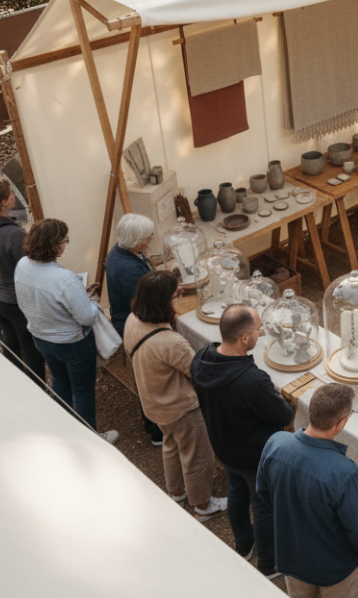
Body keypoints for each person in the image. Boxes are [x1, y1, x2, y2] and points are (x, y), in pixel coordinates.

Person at [257, 383, 358, 598]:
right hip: (336, 567)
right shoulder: (344, 472)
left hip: (291, 554)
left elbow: (263, 495)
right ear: (339, 424)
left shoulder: (276, 443)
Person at [191, 303, 294, 565]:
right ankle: (269, 563)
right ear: (244, 338)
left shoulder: (201, 358)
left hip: (224, 447)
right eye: (259, 329)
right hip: (254, 455)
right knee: (262, 505)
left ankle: (243, 545)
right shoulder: (251, 380)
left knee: (236, 494)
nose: (261, 333)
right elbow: (283, 416)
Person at [125, 271, 227, 520]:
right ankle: (202, 505)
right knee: (198, 456)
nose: (180, 297)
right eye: (176, 294)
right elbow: (198, 374)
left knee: (170, 445)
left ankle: (177, 492)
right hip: (181, 408)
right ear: (162, 301)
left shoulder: (132, 320)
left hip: (154, 404)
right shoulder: (169, 342)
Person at [14, 218, 119, 444]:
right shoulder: (64, 278)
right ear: (54, 246)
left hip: (40, 336)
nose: (66, 244)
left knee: (60, 382)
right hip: (72, 343)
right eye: (64, 241)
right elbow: (88, 317)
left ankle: (65, 431)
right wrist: (91, 302)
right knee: (82, 391)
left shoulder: (22, 264)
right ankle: (91, 440)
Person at [0, 176, 46, 384]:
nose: (14, 195)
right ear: (4, 202)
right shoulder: (14, 234)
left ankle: (16, 384)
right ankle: (37, 389)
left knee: (10, 344)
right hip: (15, 301)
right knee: (30, 347)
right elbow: (29, 269)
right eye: (11, 193)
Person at [105, 213, 163, 446]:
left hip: (129, 320)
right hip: (136, 326)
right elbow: (146, 303)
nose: (149, 241)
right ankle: (156, 430)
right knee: (148, 377)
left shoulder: (120, 252)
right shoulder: (127, 269)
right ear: (135, 240)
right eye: (147, 238)